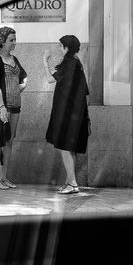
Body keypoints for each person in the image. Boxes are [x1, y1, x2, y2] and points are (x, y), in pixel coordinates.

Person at [42, 35, 90, 194]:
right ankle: (69, 181)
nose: (58, 48)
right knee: (70, 148)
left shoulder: (70, 63)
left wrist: (44, 61)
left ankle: (73, 183)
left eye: (60, 46)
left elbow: (49, 80)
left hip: (67, 113)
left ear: (67, 47)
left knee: (64, 147)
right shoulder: (76, 63)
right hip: (75, 112)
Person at [0, 26, 27, 189]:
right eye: (11, 40)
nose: (14, 43)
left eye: (15, 39)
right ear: (1, 42)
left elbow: (23, 77)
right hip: (2, 107)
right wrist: (2, 107)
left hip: (16, 105)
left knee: (9, 141)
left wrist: (21, 86)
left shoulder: (14, 59)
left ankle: (4, 177)